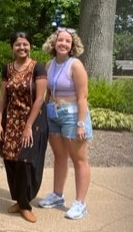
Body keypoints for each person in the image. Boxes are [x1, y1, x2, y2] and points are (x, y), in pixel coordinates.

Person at [38, 27, 93, 220]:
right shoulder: (49, 64)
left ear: (72, 45)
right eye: (60, 40)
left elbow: (83, 96)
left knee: (79, 159)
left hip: (72, 116)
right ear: (54, 43)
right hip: (54, 115)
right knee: (60, 156)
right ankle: (57, 195)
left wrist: (80, 123)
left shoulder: (75, 65)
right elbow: (48, 93)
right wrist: (42, 113)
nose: (63, 44)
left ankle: (80, 203)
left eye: (67, 41)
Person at [0, 32, 48, 223]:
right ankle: (19, 200)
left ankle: (26, 205)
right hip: (11, 121)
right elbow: (3, 97)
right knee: (11, 161)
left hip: (32, 122)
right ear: (12, 47)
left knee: (26, 162)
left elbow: (40, 99)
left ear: (30, 46)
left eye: (25, 44)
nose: (21, 48)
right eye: (17, 45)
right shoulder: (7, 69)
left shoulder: (37, 68)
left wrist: (28, 127)